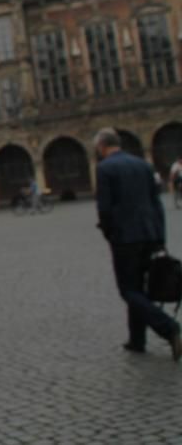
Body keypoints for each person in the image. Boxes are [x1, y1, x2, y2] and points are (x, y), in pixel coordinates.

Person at [93, 128, 181, 360]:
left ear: (101, 147)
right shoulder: (143, 165)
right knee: (140, 288)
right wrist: (159, 236)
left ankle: (169, 328)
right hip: (150, 234)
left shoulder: (104, 168)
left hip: (125, 238)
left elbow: (104, 208)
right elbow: (156, 202)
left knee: (128, 289)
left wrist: (109, 233)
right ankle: (137, 340)